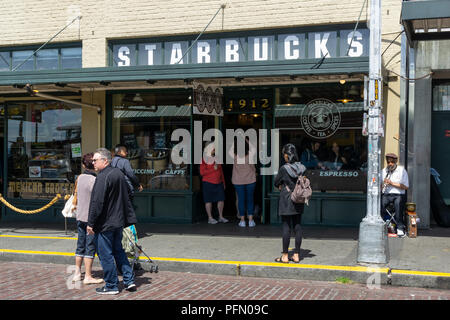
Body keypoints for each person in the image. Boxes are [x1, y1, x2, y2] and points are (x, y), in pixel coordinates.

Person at [87, 148, 138, 295]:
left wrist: (91, 223)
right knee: (119, 251)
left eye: (96, 160)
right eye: (93, 160)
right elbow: (127, 194)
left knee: (106, 255)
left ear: (105, 161)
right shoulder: (118, 173)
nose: (93, 163)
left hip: (106, 223)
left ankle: (111, 286)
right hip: (118, 221)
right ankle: (129, 281)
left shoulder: (103, 176)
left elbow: (97, 203)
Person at [72, 153, 104, 285]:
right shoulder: (94, 180)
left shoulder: (80, 177)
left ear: (84, 165)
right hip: (90, 218)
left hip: (80, 215)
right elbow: (97, 200)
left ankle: (77, 273)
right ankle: (88, 276)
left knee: (80, 245)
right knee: (90, 246)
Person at [273, 144, 306, 263]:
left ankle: (285, 256)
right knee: (298, 226)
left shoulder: (284, 168)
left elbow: (276, 183)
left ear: (287, 155)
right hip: (298, 198)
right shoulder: (302, 167)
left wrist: (281, 185)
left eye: (284, 155)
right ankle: (296, 255)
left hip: (286, 199)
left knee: (286, 227)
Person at [229, 138, 257, 227]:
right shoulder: (250, 155)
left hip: (238, 181)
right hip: (250, 180)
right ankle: (251, 220)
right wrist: (246, 140)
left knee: (241, 200)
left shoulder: (234, 156)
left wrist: (236, 141)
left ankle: (242, 221)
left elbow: (230, 149)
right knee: (250, 200)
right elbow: (254, 148)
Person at [381, 153, 409, 237]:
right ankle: (382, 226)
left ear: (396, 161)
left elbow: (406, 187)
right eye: (388, 162)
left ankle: (400, 228)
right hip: (386, 194)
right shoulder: (383, 171)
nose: (390, 164)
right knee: (379, 205)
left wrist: (391, 183)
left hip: (399, 194)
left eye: (392, 162)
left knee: (398, 205)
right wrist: (382, 185)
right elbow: (380, 185)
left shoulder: (402, 170)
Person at [199, 143, 228, 224]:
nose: (214, 149)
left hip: (219, 182)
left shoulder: (217, 158)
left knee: (221, 200)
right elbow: (202, 172)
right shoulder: (204, 159)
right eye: (213, 148)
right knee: (208, 201)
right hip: (208, 182)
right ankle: (210, 218)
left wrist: (223, 182)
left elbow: (221, 171)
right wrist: (213, 169)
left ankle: (221, 217)